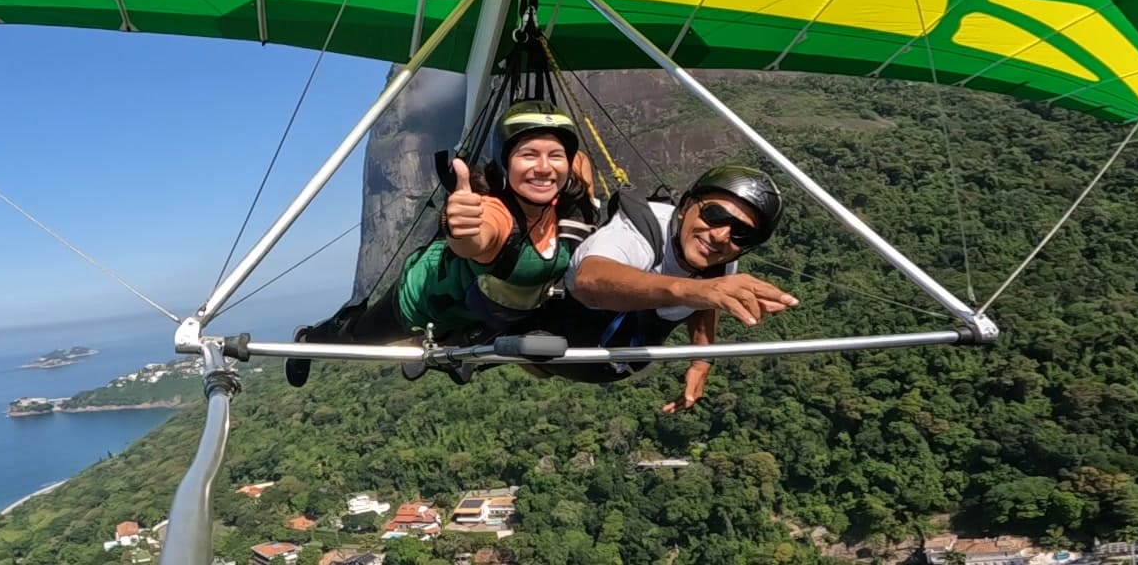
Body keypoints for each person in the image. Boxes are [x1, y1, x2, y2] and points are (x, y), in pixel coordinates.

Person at [284, 100, 603, 387]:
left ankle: (454, 345)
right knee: (360, 337)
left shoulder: (573, 201)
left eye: (555, 156)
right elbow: (476, 239)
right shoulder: (497, 217)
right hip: (425, 297)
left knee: (523, 334)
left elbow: (577, 165)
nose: (545, 167)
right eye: (528, 155)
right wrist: (461, 226)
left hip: (490, 307)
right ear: (506, 163)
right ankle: (308, 338)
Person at [529, 163, 797, 409]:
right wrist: (689, 290)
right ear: (686, 207)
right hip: (540, 352)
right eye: (715, 215)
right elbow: (589, 280)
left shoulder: (721, 258)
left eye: (742, 233)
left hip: (609, 369)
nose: (721, 235)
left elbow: (709, 301)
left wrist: (702, 360)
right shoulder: (640, 230)